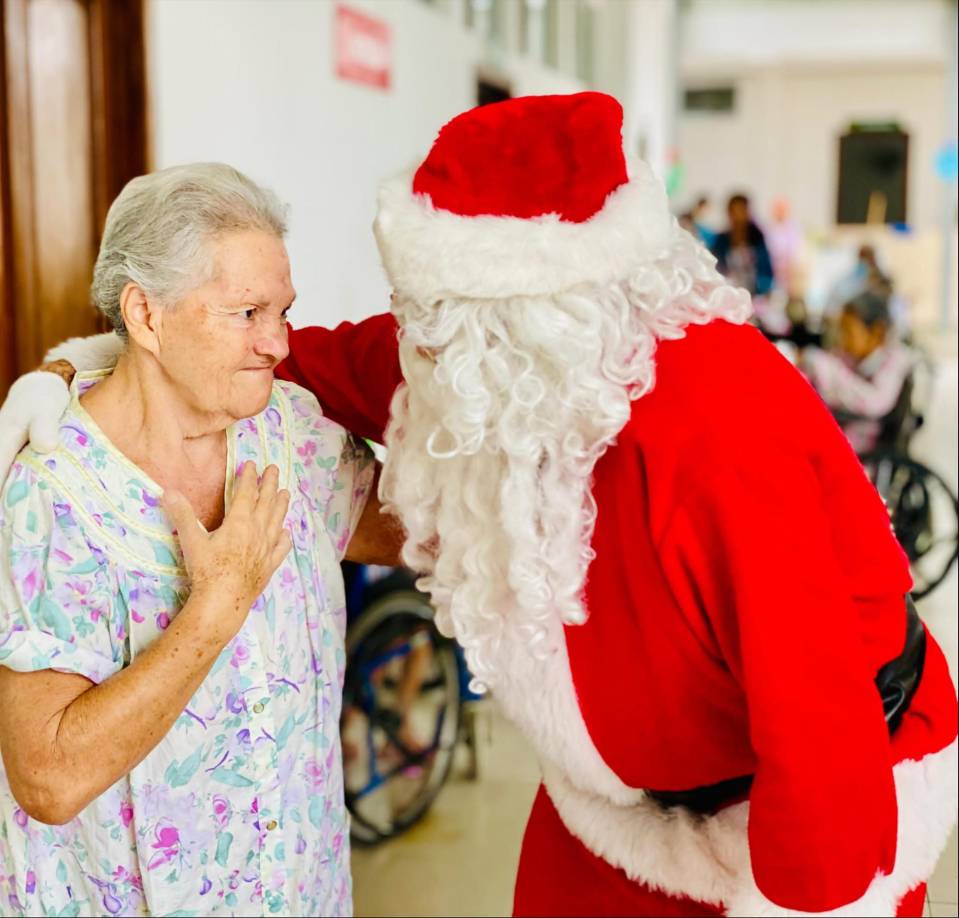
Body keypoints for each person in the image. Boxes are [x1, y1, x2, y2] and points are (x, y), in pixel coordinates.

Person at [2, 94, 957, 917]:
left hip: (791, 811)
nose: (417, 341)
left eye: (438, 316)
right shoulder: (490, 361)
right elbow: (299, 360)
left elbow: (823, 746)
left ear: (527, 316)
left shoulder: (727, 438)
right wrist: (86, 366)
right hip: (612, 814)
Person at [0, 163, 401, 917]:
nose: (277, 342)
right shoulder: (54, 493)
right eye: (247, 312)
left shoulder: (284, 428)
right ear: (145, 315)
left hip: (301, 891)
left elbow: (426, 531)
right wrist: (218, 607)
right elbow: (49, 778)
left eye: (283, 311)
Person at [802, 290, 914, 453]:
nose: (842, 339)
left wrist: (830, 370)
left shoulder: (894, 360)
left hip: (863, 447)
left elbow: (875, 403)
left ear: (877, 332)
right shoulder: (853, 356)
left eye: (848, 331)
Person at [710, 192, 775, 297]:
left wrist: (762, 289)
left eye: (741, 211)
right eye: (734, 212)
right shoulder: (721, 240)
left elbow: (766, 271)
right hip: (729, 294)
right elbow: (716, 267)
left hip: (755, 295)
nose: (738, 216)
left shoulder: (758, 239)